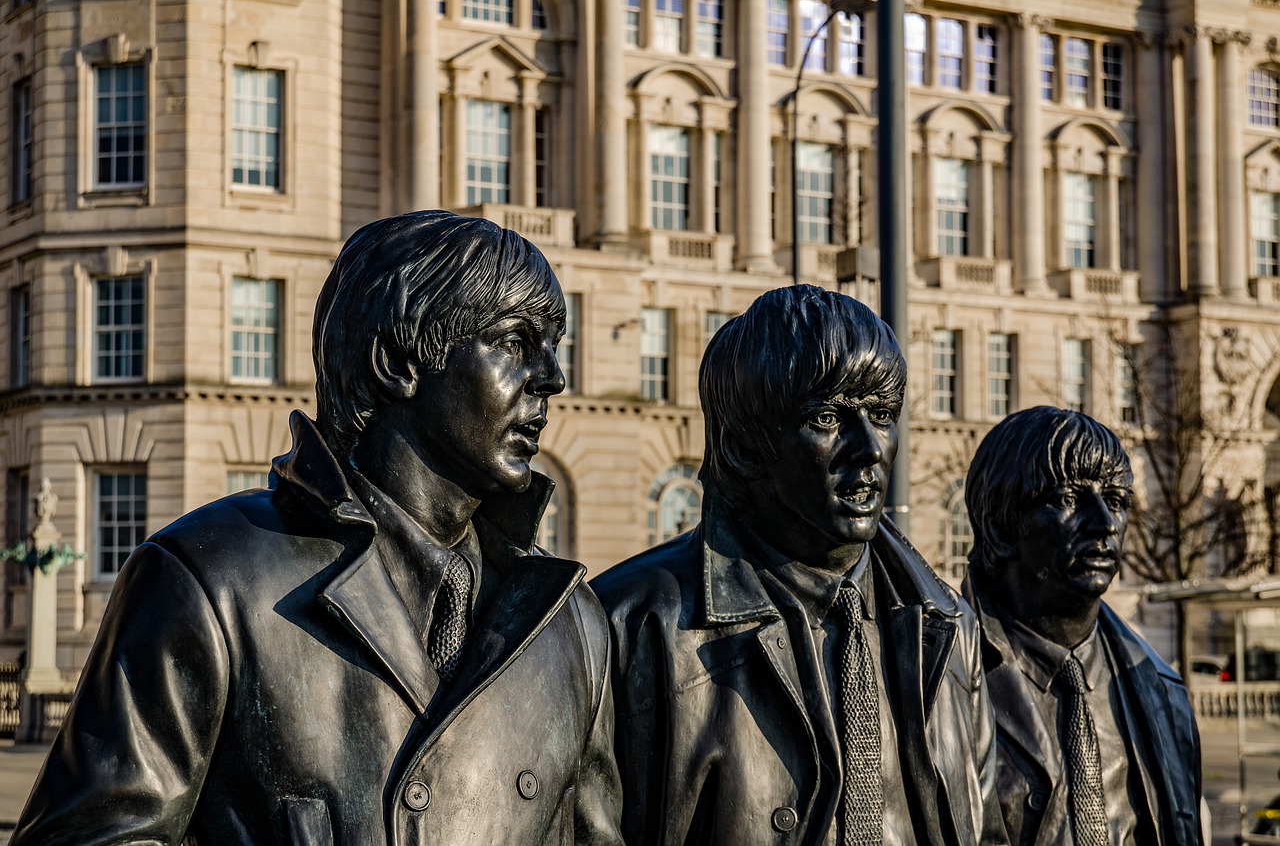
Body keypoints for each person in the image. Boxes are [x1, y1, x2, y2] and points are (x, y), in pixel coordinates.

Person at [13, 211, 623, 846]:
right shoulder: (211, 579)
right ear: (395, 362)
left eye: (554, 346)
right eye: (515, 341)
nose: (554, 378)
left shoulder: (572, 625)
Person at [592, 285, 1006, 846]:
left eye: (883, 415)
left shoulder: (951, 630)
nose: (870, 448)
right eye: (828, 417)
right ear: (743, 445)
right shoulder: (629, 625)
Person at [962, 406, 1203, 846]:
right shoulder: (937, 681)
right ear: (999, 524)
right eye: (1065, 498)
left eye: (1115, 501)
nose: (1105, 524)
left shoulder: (1162, 691)